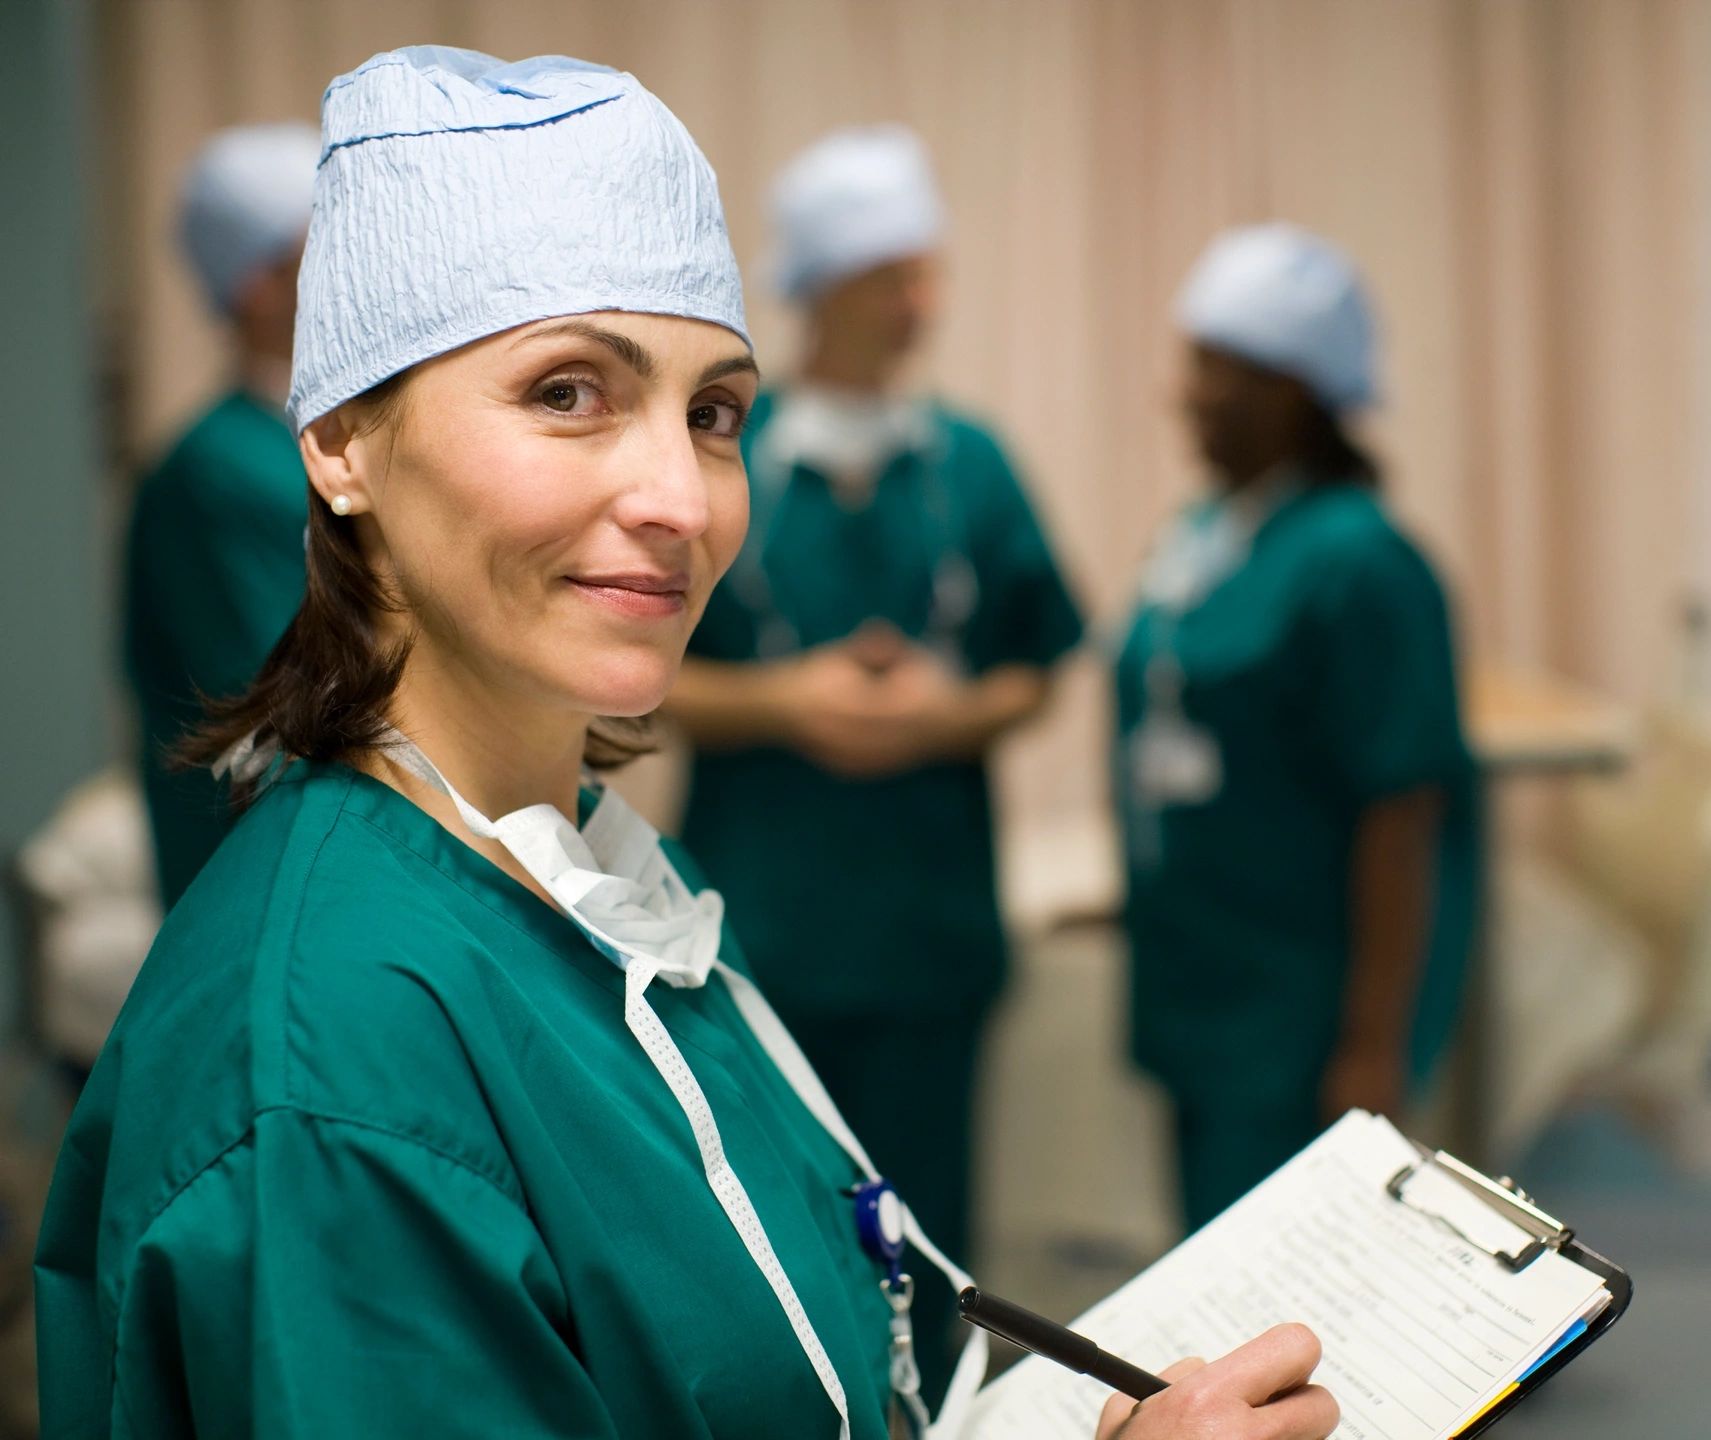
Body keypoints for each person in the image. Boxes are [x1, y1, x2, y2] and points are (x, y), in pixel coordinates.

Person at [36, 49, 1337, 1440]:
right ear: (344, 438)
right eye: (566, 393)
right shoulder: (333, 1082)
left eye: (711, 412)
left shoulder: (596, 898)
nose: (682, 498)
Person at [666, 127, 1085, 1399]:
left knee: (927, 1229)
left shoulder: (971, 463)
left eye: (925, 273)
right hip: (765, 913)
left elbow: (1036, 659)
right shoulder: (719, 455)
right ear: (818, 287)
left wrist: (936, 720)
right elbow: (642, 669)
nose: (918, 305)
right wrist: (789, 701)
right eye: (888, 276)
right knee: (770, 1221)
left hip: (925, 925)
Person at [1113, 224, 1480, 1234]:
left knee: (1293, 1292)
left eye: (1212, 368)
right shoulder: (1205, 538)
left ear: (1290, 390)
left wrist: (1372, 1043)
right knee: (1211, 1265)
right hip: (1202, 991)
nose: (1184, 393)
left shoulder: (1362, 564)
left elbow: (1401, 810)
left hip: (1296, 1012)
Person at [124, 122, 322, 909]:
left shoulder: (312, 439)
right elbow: (285, 704)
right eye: (330, 244)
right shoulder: (216, 471)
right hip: (269, 875)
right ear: (259, 285)